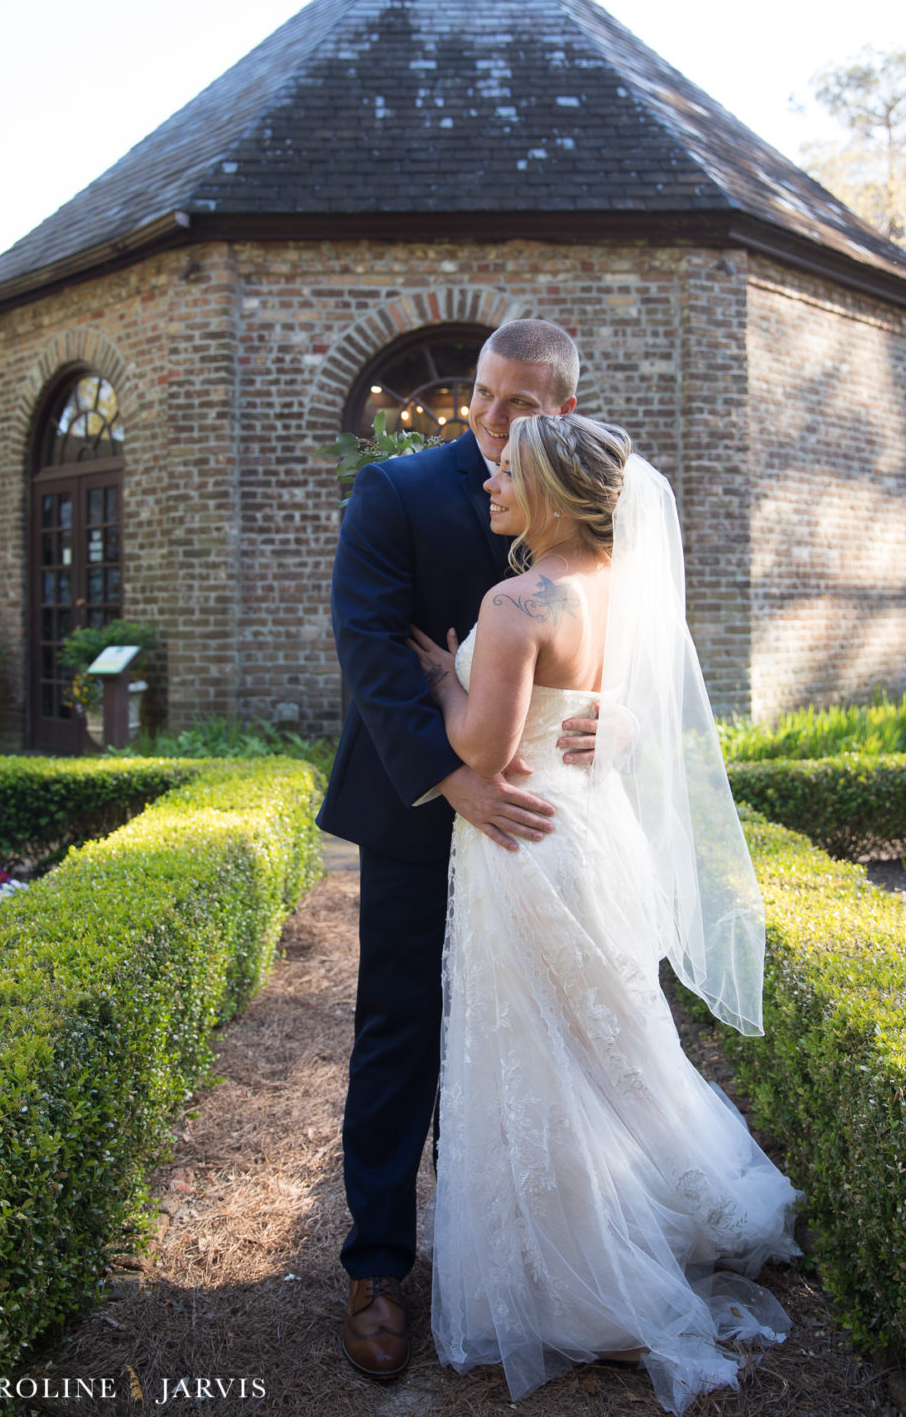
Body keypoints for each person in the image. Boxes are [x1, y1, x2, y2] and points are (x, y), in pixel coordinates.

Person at [408, 414, 798, 1415]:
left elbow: (484, 755)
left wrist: (440, 676)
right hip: (597, 831)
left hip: (522, 842)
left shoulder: (513, 602)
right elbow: (625, 704)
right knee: (613, 1035)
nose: (489, 481)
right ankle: (673, 1216)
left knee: (540, 1051)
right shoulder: (623, 589)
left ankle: (590, 1285)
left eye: (507, 472)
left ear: (547, 492)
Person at [318, 319, 597, 1379]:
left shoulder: (596, 494)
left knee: (520, 1030)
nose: (487, 416)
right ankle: (378, 1267)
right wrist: (451, 779)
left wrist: (609, 716)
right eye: (481, 393)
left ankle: (514, 1254)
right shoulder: (394, 492)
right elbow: (372, 649)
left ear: (560, 411)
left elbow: (626, 627)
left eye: (517, 404)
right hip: (412, 807)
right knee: (397, 1026)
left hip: (536, 822)